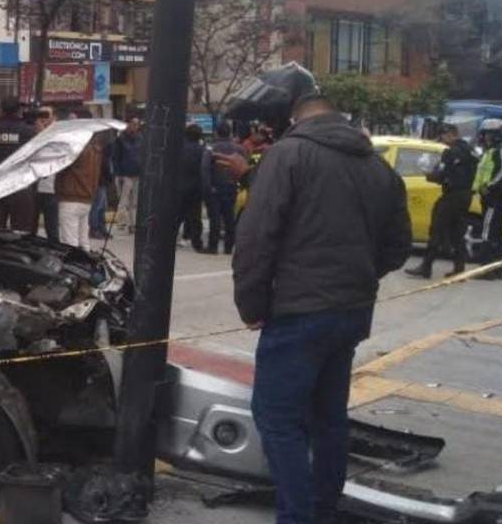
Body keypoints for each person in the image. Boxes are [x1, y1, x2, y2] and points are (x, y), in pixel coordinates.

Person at [228, 63, 411, 524]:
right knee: (328, 417)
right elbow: (398, 248)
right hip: (350, 311)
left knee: (277, 418)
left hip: (298, 313)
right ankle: (323, 509)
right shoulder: (375, 165)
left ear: (291, 112)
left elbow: (256, 238)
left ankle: (297, 516)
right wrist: (357, 278)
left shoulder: (288, 156)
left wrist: (252, 305)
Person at [405, 124, 477, 278]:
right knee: (457, 232)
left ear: (451, 135)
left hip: (452, 196)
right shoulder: (471, 151)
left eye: (443, 136)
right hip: (466, 196)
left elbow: (442, 174)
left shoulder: (450, 152)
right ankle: (459, 267)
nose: (442, 140)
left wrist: (428, 175)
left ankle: (426, 267)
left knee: (437, 229)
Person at [0, 97, 37, 231]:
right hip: (21, 187)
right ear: (19, 110)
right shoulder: (28, 131)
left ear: (1, 110)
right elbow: (35, 160)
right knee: (21, 231)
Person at [472, 118, 502, 281]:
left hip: (495, 198)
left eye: (487, 134)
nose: (484, 137)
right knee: (496, 233)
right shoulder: (490, 151)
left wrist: (489, 186)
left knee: (488, 233)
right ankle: (498, 269)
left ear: (495, 135)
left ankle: (486, 269)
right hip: (491, 197)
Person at [202, 123, 248, 254]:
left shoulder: (211, 148)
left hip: (215, 187)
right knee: (229, 218)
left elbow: (205, 169)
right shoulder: (239, 149)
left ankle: (213, 246)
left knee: (215, 218)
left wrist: (207, 187)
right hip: (232, 186)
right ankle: (229, 246)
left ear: (217, 132)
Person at [56, 126, 103, 252]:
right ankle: (87, 266)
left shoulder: (76, 149)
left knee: (69, 241)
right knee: (83, 240)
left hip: (71, 197)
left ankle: (73, 267)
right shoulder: (95, 150)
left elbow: (59, 165)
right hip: (86, 198)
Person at [32, 108, 60, 241]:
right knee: (30, 228)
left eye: (46, 115)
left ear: (54, 117)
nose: (43, 118)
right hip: (33, 188)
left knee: (52, 229)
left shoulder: (58, 134)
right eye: (40, 115)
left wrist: (43, 132)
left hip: (51, 189)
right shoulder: (32, 133)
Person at [177, 123, 206, 251]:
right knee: (195, 217)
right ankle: (197, 243)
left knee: (177, 216)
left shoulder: (178, 149)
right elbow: (204, 169)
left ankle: (168, 240)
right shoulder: (202, 150)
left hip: (179, 186)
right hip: (195, 187)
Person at [112, 117, 143, 233]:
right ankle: (122, 223)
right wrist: (118, 174)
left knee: (134, 202)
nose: (135, 126)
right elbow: (115, 157)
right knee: (123, 201)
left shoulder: (140, 138)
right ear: (128, 124)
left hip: (136, 174)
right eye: (133, 124)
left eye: (137, 124)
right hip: (124, 174)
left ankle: (133, 224)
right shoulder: (121, 139)